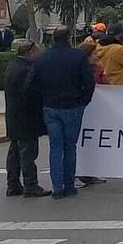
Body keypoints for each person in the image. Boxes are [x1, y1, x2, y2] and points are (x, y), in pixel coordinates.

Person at [27, 28, 95, 199]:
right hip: (72, 106)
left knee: (55, 148)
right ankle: (69, 184)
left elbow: (30, 84)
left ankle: (57, 187)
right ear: (69, 38)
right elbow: (89, 81)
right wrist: (83, 101)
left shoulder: (42, 58)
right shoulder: (78, 57)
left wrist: (42, 100)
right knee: (70, 146)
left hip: (50, 106)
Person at [2, 39, 50, 198]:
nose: (40, 55)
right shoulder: (27, 70)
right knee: (28, 153)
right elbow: (31, 93)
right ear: (30, 53)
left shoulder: (12, 66)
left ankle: (13, 183)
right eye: (37, 52)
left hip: (14, 116)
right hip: (27, 117)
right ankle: (31, 185)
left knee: (15, 152)